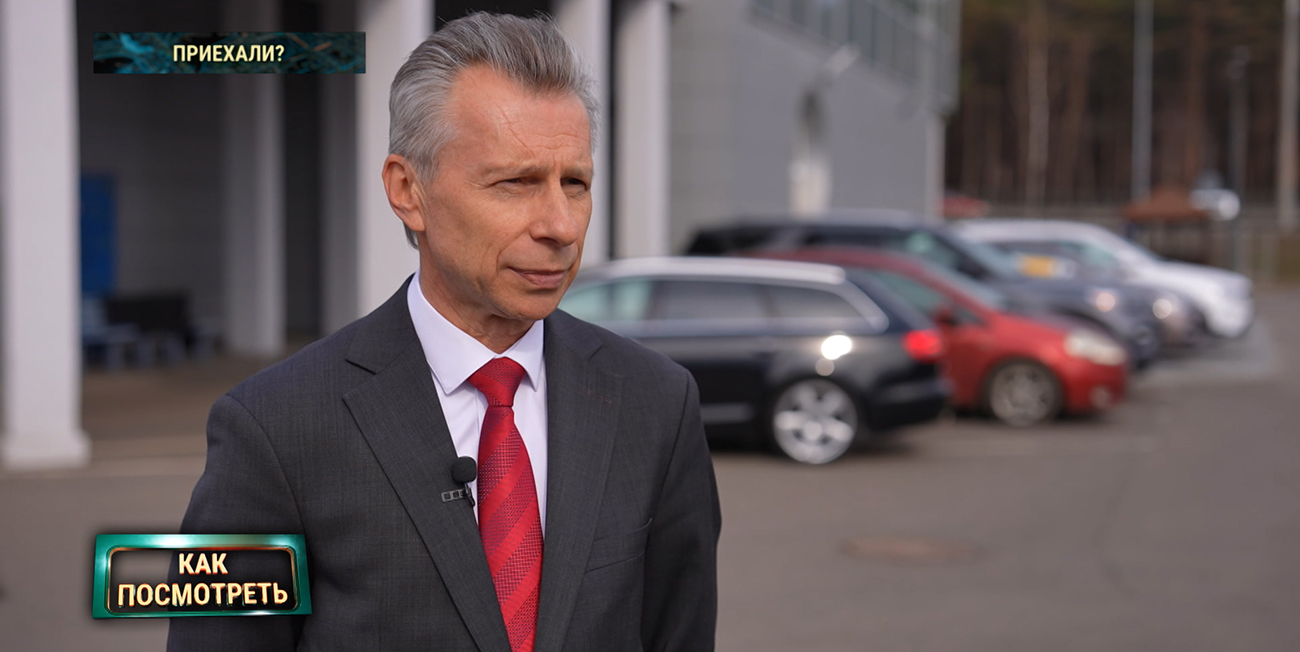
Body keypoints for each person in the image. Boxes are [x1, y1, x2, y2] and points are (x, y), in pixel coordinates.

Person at [167, 13, 721, 652]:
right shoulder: (273, 426)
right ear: (409, 191)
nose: (562, 226)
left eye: (575, 183)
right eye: (515, 183)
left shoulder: (657, 403)